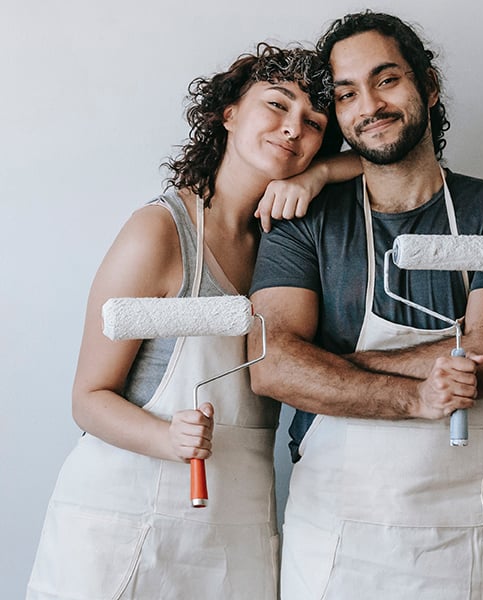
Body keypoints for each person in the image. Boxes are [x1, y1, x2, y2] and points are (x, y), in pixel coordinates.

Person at [26, 42, 357, 600]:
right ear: (228, 113)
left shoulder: (293, 244)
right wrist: (166, 437)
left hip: (238, 526)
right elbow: (88, 397)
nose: (293, 129)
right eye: (276, 105)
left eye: (314, 122)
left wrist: (317, 177)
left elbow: (389, 159)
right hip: (120, 520)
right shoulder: (159, 232)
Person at [248, 11, 483, 600]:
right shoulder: (302, 220)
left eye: (387, 80)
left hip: (456, 543)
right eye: (347, 93)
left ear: (428, 86)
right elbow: (271, 365)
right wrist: (423, 388)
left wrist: (330, 363)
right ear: (336, 114)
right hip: (330, 541)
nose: (370, 105)